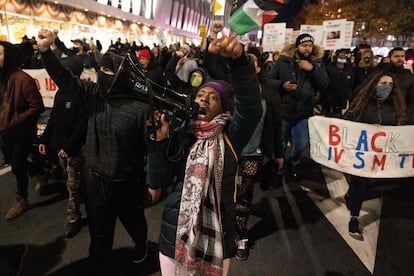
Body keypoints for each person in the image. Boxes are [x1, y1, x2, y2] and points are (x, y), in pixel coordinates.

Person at [147, 35, 262, 275]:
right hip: (174, 234)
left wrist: (240, 62)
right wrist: (159, 141)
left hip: (217, 240)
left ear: (223, 109)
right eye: (200, 95)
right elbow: (159, 180)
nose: (204, 99)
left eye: (213, 98)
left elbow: (251, 106)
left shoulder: (231, 135)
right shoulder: (181, 131)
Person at [37, 29, 151, 271]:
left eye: (109, 71)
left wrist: (151, 179)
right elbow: (65, 79)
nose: (102, 74)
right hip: (95, 179)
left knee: (134, 223)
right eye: (101, 69)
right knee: (99, 234)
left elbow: (149, 148)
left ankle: (141, 245)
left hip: (127, 181)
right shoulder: (92, 95)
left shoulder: (139, 109)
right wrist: (46, 50)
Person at [344, 70, 412, 238]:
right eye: (383, 84)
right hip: (363, 155)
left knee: (365, 184)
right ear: (374, 85)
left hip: (382, 158)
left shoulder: (398, 107)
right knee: (359, 183)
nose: (386, 87)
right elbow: (347, 123)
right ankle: (354, 216)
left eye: (390, 84)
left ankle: (351, 195)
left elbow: (407, 127)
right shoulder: (361, 104)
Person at [265, 33, 329, 182]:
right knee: (280, 143)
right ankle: (279, 168)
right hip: (283, 110)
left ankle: (294, 164)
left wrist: (312, 69)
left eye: (310, 45)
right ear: (297, 46)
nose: (307, 49)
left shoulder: (317, 63)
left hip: (304, 112)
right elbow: (268, 80)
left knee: (301, 144)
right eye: (304, 45)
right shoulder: (283, 61)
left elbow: (325, 84)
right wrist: (282, 86)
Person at [37, 56, 87, 239]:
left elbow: (82, 124)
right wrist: (44, 139)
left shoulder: (79, 92)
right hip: (60, 148)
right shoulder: (61, 92)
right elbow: (54, 119)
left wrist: (69, 146)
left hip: (73, 149)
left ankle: (73, 218)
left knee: (73, 185)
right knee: (71, 181)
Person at [0, 41, 44, 220]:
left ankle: (21, 199)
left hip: (22, 131)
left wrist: (15, 121)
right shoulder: (2, 78)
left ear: (8, 56)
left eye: (0, 54)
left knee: (17, 165)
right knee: (14, 161)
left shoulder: (23, 79)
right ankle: (41, 171)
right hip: (6, 132)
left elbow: (37, 106)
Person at [322, 48, 353, 118]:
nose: (343, 56)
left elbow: (351, 86)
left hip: (342, 103)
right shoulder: (329, 69)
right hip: (329, 103)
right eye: (341, 54)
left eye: (345, 54)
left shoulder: (349, 70)